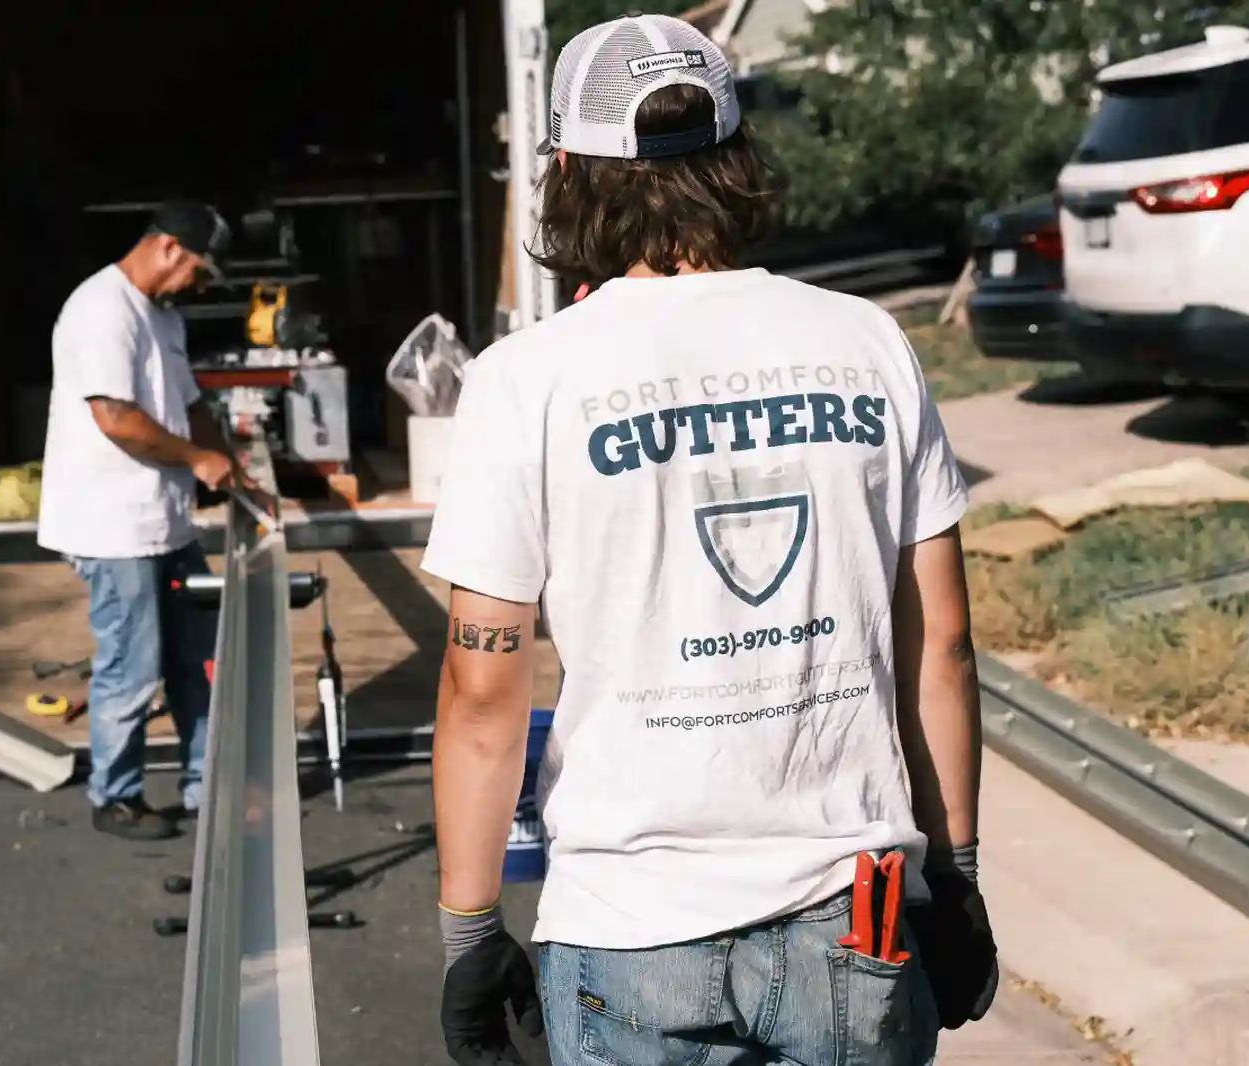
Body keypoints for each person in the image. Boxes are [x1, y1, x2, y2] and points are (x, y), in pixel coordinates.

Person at [422, 14, 998, 1066]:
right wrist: (953, 872)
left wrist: (469, 932)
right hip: (853, 915)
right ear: (735, 158)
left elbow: (480, 689)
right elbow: (941, 647)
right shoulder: (865, 341)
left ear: (565, 170)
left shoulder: (527, 381)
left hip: (629, 923)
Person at [37, 200, 242, 841]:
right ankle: (116, 795)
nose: (199, 287)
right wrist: (198, 458)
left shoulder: (162, 317)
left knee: (195, 656)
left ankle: (205, 786)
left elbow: (189, 403)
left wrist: (229, 464)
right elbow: (116, 419)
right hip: (111, 524)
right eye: (199, 272)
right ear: (169, 249)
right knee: (133, 661)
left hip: (162, 520)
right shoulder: (101, 309)